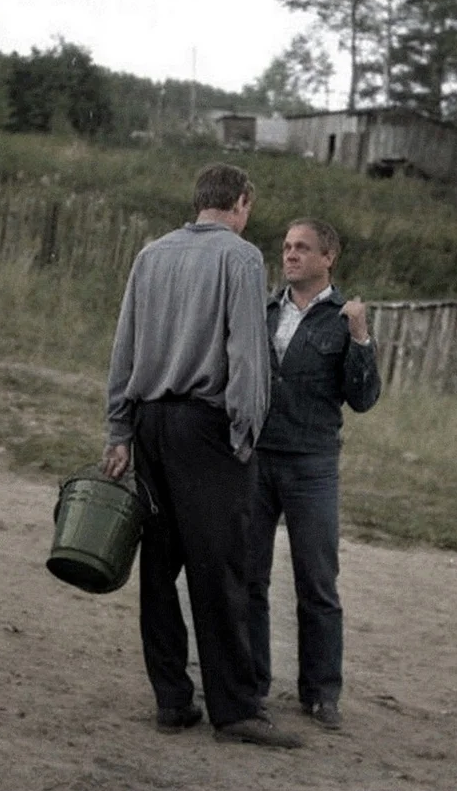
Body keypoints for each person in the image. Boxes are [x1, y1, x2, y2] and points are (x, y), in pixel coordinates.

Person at [102, 163, 302, 749]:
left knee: (159, 568)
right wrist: (245, 431)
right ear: (240, 202)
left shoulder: (151, 255)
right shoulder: (238, 258)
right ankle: (235, 710)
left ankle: (172, 701)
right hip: (207, 427)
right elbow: (247, 353)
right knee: (222, 569)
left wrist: (119, 429)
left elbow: (125, 347)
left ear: (198, 203)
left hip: (149, 425)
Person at [248, 218, 382, 731]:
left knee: (317, 582)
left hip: (312, 465)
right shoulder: (262, 310)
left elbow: (364, 399)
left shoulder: (343, 317)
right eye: (286, 247)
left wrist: (361, 337)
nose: (290, 255)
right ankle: (251, 683)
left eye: (302, 247)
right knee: (248, 577)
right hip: (257, 458)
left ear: (329, 257)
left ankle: (322, 693)